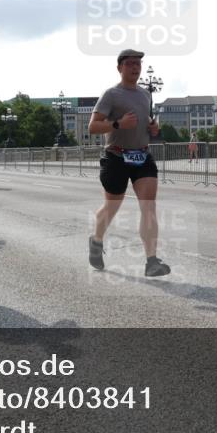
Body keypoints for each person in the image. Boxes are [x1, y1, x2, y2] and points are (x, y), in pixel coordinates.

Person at [87, 49, 170, 277]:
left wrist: (153, 128)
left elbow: (146, 124)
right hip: (115, 156)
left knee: (149, 206)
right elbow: (93, 127)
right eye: (130, 63)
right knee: (112, 206)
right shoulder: (111, 94)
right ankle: (96, 240)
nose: (135, 67)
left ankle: (151, 261)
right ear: (119, 68)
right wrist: (117, 124)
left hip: (142, 156)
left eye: (138, 64)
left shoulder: (145, 95)